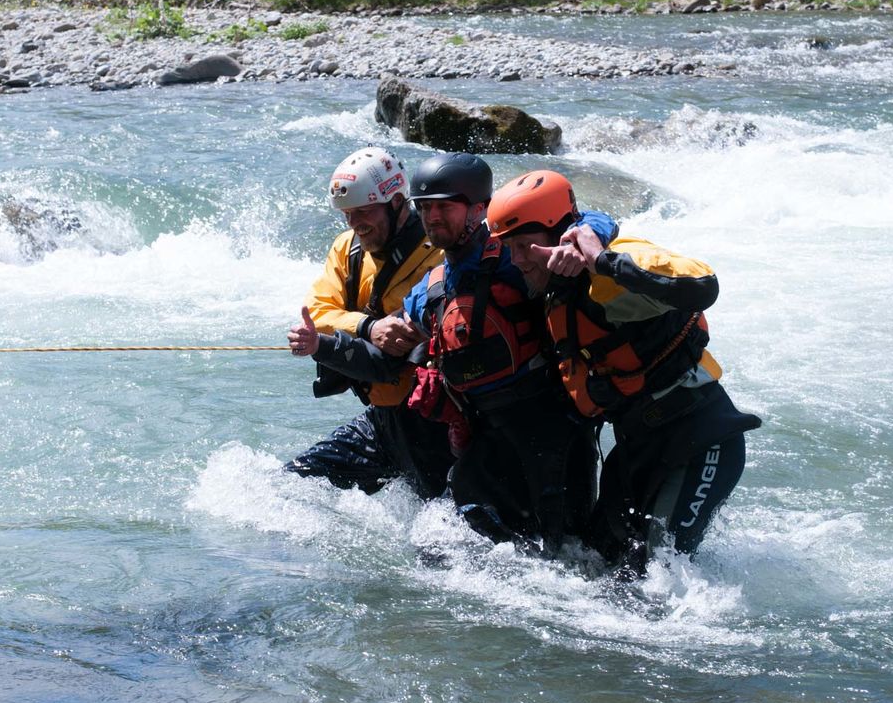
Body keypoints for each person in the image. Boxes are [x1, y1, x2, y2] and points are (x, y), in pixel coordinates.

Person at [294, 152, 619, 555]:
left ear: (478, 209)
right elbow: (386, 361)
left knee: (572, 554)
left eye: (445, 207)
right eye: (426, 208)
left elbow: (581, 218)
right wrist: (322, 346)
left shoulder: (514, 255)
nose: (433, 217)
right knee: (440, 547)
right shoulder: (430, 289)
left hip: (556, 433)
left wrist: (586, 238)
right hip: (488, 438)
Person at [486, 169, 761, 573]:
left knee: (657, 578)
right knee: (595, 564)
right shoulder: (553, 287)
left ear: (559, 233)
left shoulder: (612, 274)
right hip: (638, 446)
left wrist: (601, 260)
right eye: (509, 248)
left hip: (701, 441)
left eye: (524, 246)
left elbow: (704, 284)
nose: (517, 260)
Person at [284, 147, 453, 499]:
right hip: (382, 422)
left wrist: (338, 331)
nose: (354, 223)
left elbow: (396, 350)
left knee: (438, 537)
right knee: (287, 485)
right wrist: (367, 328)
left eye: (363, 211)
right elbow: (316, 314)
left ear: (396, 202)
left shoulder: (437, 252)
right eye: (347, 214)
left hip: (433, 424)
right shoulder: (347, 248)